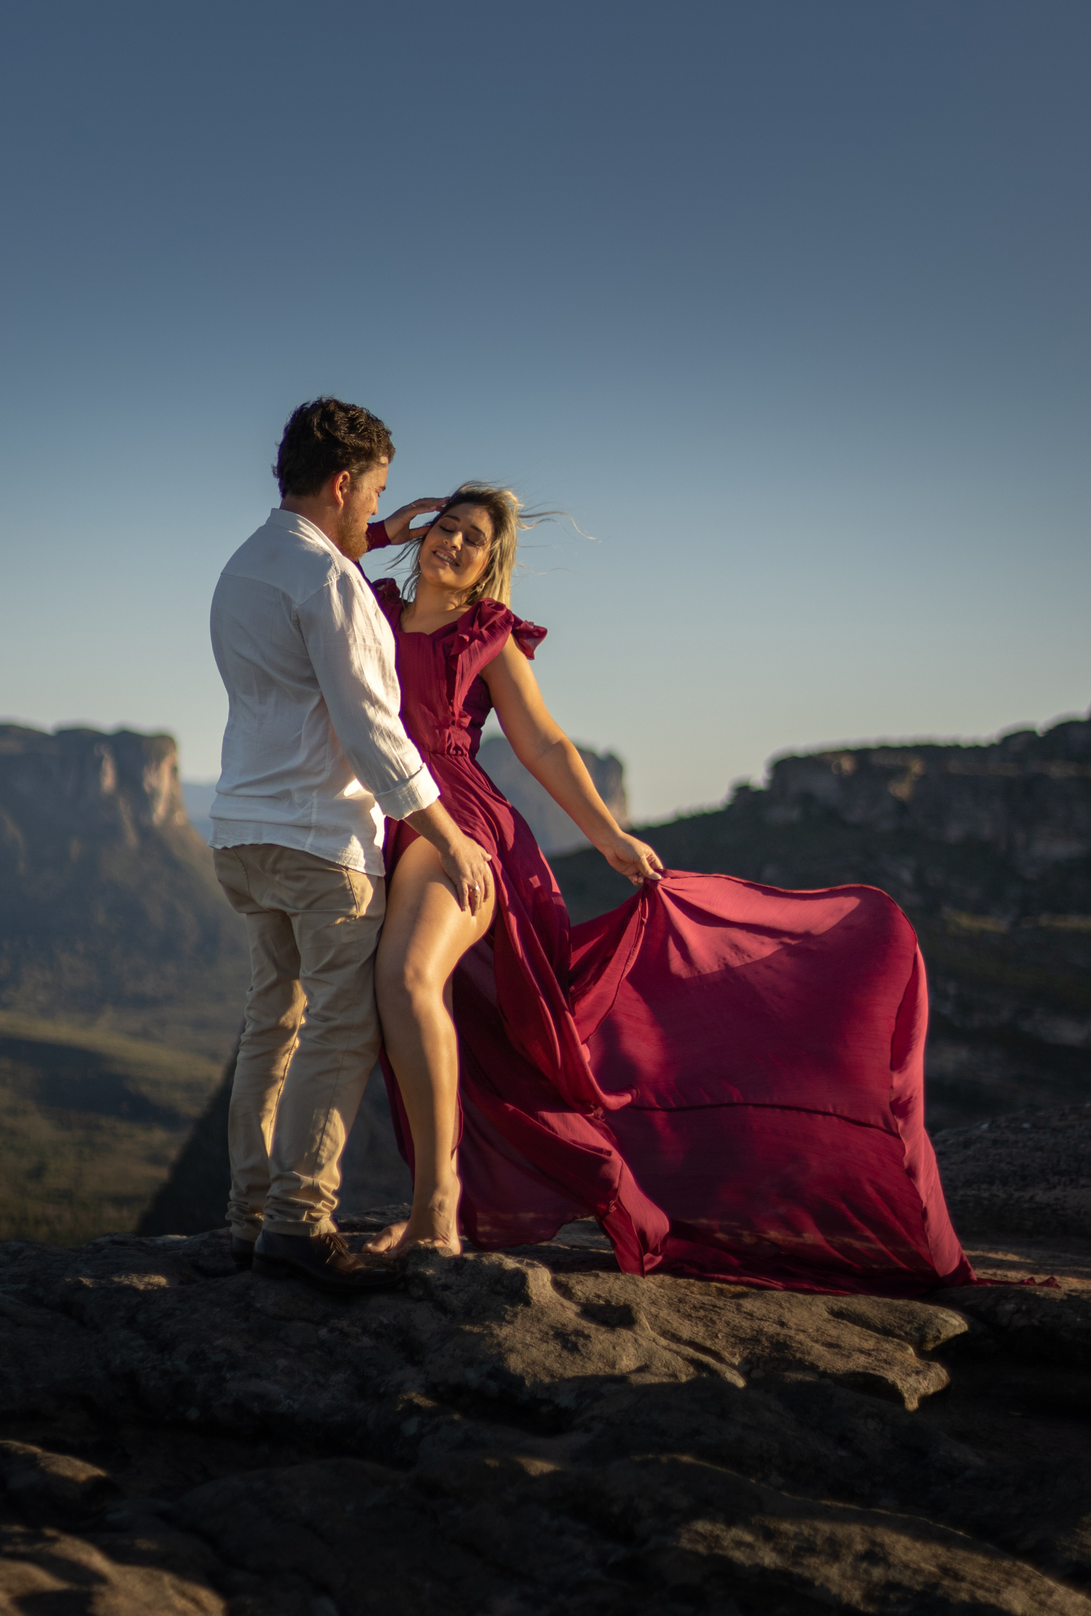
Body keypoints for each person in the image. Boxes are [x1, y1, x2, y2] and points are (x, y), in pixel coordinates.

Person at [361, 484, 975, 1294]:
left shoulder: (489, 636)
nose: (451, 543)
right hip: (378, 818)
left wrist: (608, 835)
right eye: (444, 527)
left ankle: (438, 1210)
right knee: (426, 1020)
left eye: (472, 538)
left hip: (460, 824)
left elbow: (543, 743)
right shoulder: (374, 605)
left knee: (406, 980)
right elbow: (317, 564)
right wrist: (379, 529)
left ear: (488, 568)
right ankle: (428, 1206)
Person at [207, 399, 492, 1294]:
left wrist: (365, 539)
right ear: (342, 483)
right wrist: (448, 834)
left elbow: (309, 596)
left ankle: (247, 1215)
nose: (379, 506)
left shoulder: (245, 568)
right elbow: (373, 730)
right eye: (372, 490)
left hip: (243, 835)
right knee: (340, 1024)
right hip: (321, 842)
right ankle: (299, 1221)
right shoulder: (331, 587)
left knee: (271, 1023)